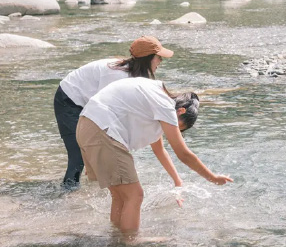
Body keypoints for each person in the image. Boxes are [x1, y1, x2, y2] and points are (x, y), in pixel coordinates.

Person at [76, 77, 233, 236]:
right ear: (181, 111)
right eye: (178, 127)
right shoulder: (165, 106)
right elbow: (184, 154)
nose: (171, 130)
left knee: (120, 195)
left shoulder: (155, 100)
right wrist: (212, 177)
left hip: (87, 125)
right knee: (135, 195)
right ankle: (130, 242)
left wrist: (178, 181)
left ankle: (117, 239)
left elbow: (160, 151)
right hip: (102, 130)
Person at [53, 36, 173, 189]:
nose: (161, 62)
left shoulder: (133, 76)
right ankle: (67, 195)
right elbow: (101, 109)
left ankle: (91, 191)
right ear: (148, 58)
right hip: (69, 99)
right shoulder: (118, 76)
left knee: (96, 150)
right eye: (159, 57)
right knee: (78, 156)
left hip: (85, 100)